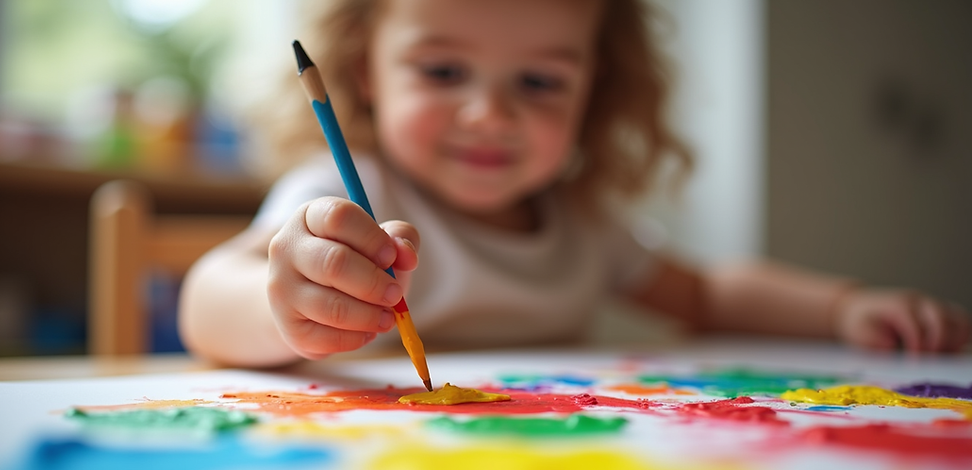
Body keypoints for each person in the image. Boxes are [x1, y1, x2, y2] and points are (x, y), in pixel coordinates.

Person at [178, 0, 969, 367]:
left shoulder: (581, 220)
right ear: (366, 75)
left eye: (541, 82)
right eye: (445, 71)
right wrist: (284, 304)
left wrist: (844, 307)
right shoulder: (345, 194)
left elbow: (707, 295)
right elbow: (211, 296)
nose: (490, 114)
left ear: (598, 90)